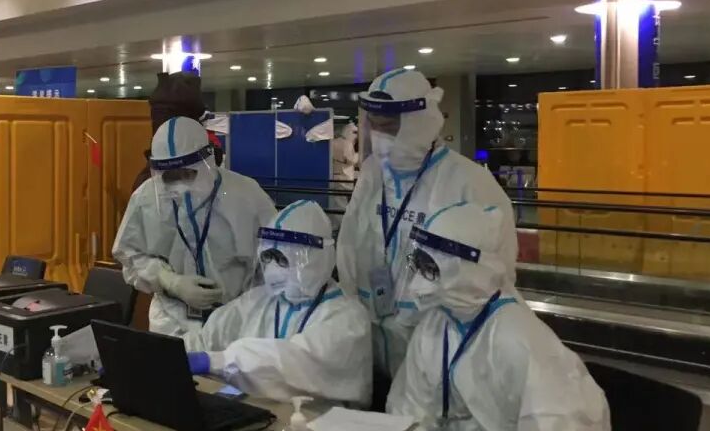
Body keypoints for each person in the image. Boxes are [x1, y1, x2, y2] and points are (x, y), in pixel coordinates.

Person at [386, 201, 629, 431]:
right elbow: (407, 416)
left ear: (471, 268)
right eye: (418, 265)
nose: (418, 284)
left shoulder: (523, 343)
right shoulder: (434, 329)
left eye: (432, 269)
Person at [337, 67, 517, 378]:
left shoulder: (469, 183)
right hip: (371, 339)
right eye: (375, 126)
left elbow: (495, 272)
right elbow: (350, 242)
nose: (380, 137)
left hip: (434, 345)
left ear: (419, 123)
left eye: (390, 127)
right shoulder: (372, 173)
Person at [184, 200, 373, 404]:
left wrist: (216, 361)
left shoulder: (347, 317)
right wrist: (176, 353)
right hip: (262, 411)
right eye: (268, 257)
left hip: (321, 419)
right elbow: (210, 335)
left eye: (283, 259)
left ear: (317, 258)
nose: (273, 270)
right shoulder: (259, 301)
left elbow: (295, 362)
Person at [113, 116, 276, 338]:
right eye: (171, 176)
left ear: (207, 162)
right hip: (171, 322)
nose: (180, 184)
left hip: (236, 322)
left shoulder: (246, 195)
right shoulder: (146, 198)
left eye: (188, 173)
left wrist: (248, 305)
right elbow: (130, 255)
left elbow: (274, 257)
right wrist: (171, 282)